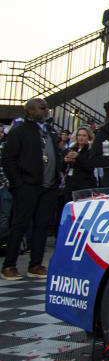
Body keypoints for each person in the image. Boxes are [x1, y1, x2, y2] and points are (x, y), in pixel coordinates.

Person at [0, 98, 62, 280]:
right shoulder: (19, 132)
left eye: (47, 107)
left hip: (48, 186)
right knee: (19, 225)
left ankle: (35, 264)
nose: (46, 110)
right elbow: (8, 159)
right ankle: (9, 265)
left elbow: (55, 153)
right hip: (27, 186)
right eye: (42, 108)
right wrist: (17, 183)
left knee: (41, 226)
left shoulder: (49, 131)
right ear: (30, 111)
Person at [64, 125, 97, 198]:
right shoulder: (71, 148)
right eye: (79, 135)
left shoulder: (91, 150)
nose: (81, 137)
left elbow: (90, 167)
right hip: (70, 183)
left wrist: (78, 157)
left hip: (85, 184)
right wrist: (65, 160)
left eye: (84, 135)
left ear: (89, 137)